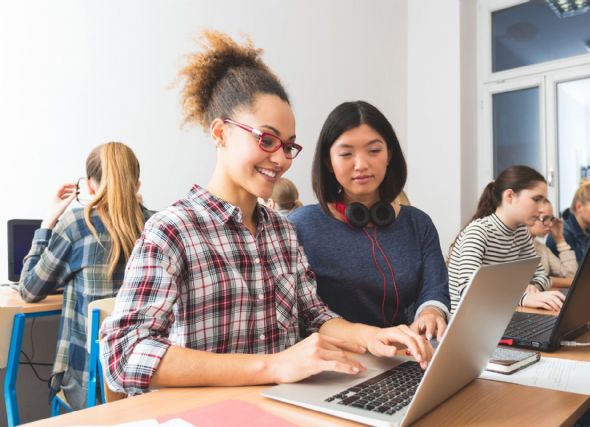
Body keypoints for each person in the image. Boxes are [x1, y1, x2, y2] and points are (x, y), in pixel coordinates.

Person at [100, 31, 431, 397]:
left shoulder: (282, 231)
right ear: (220, 132)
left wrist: (373, 336)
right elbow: (123, 355)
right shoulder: (173, 231)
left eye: (289, 146)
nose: (281, 159)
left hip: (284, 407)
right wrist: (273, 366)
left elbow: (315, 316)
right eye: (267, 140)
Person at [289, 101, 449, 342]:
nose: (361, 164)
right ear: (328, 162)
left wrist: (431, 312)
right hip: (335, 360)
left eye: (374, 151)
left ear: (389, 155)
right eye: (346, 154)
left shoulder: (418, 223)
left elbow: (434, 289)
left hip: (402, 355)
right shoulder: (302, 225)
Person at [19, 142, 152, 410]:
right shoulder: (158, 226)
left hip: (93, 388)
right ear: (137, 185)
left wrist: (48, 222)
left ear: (89, 186)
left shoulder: (76, 224)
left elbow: (29, 290)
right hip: (147, 383)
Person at [447, 165, 565, 314]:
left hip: (504, 316)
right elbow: (468, 291)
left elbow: (542, 276)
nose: (542, 209)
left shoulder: (521, 232)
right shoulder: (478, 231)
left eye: (543, 201)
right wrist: (522, 297)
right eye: (536, 199)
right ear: (510, 196)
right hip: (469, 325)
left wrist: (533, 285)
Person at [527, 199, 578, 288]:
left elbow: (572, 276)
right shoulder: (513, 246)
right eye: (545, 218)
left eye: (552, 219)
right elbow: (533, 286)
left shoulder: (542, 248)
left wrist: (560, 239)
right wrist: (552, 281)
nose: (550, 224)